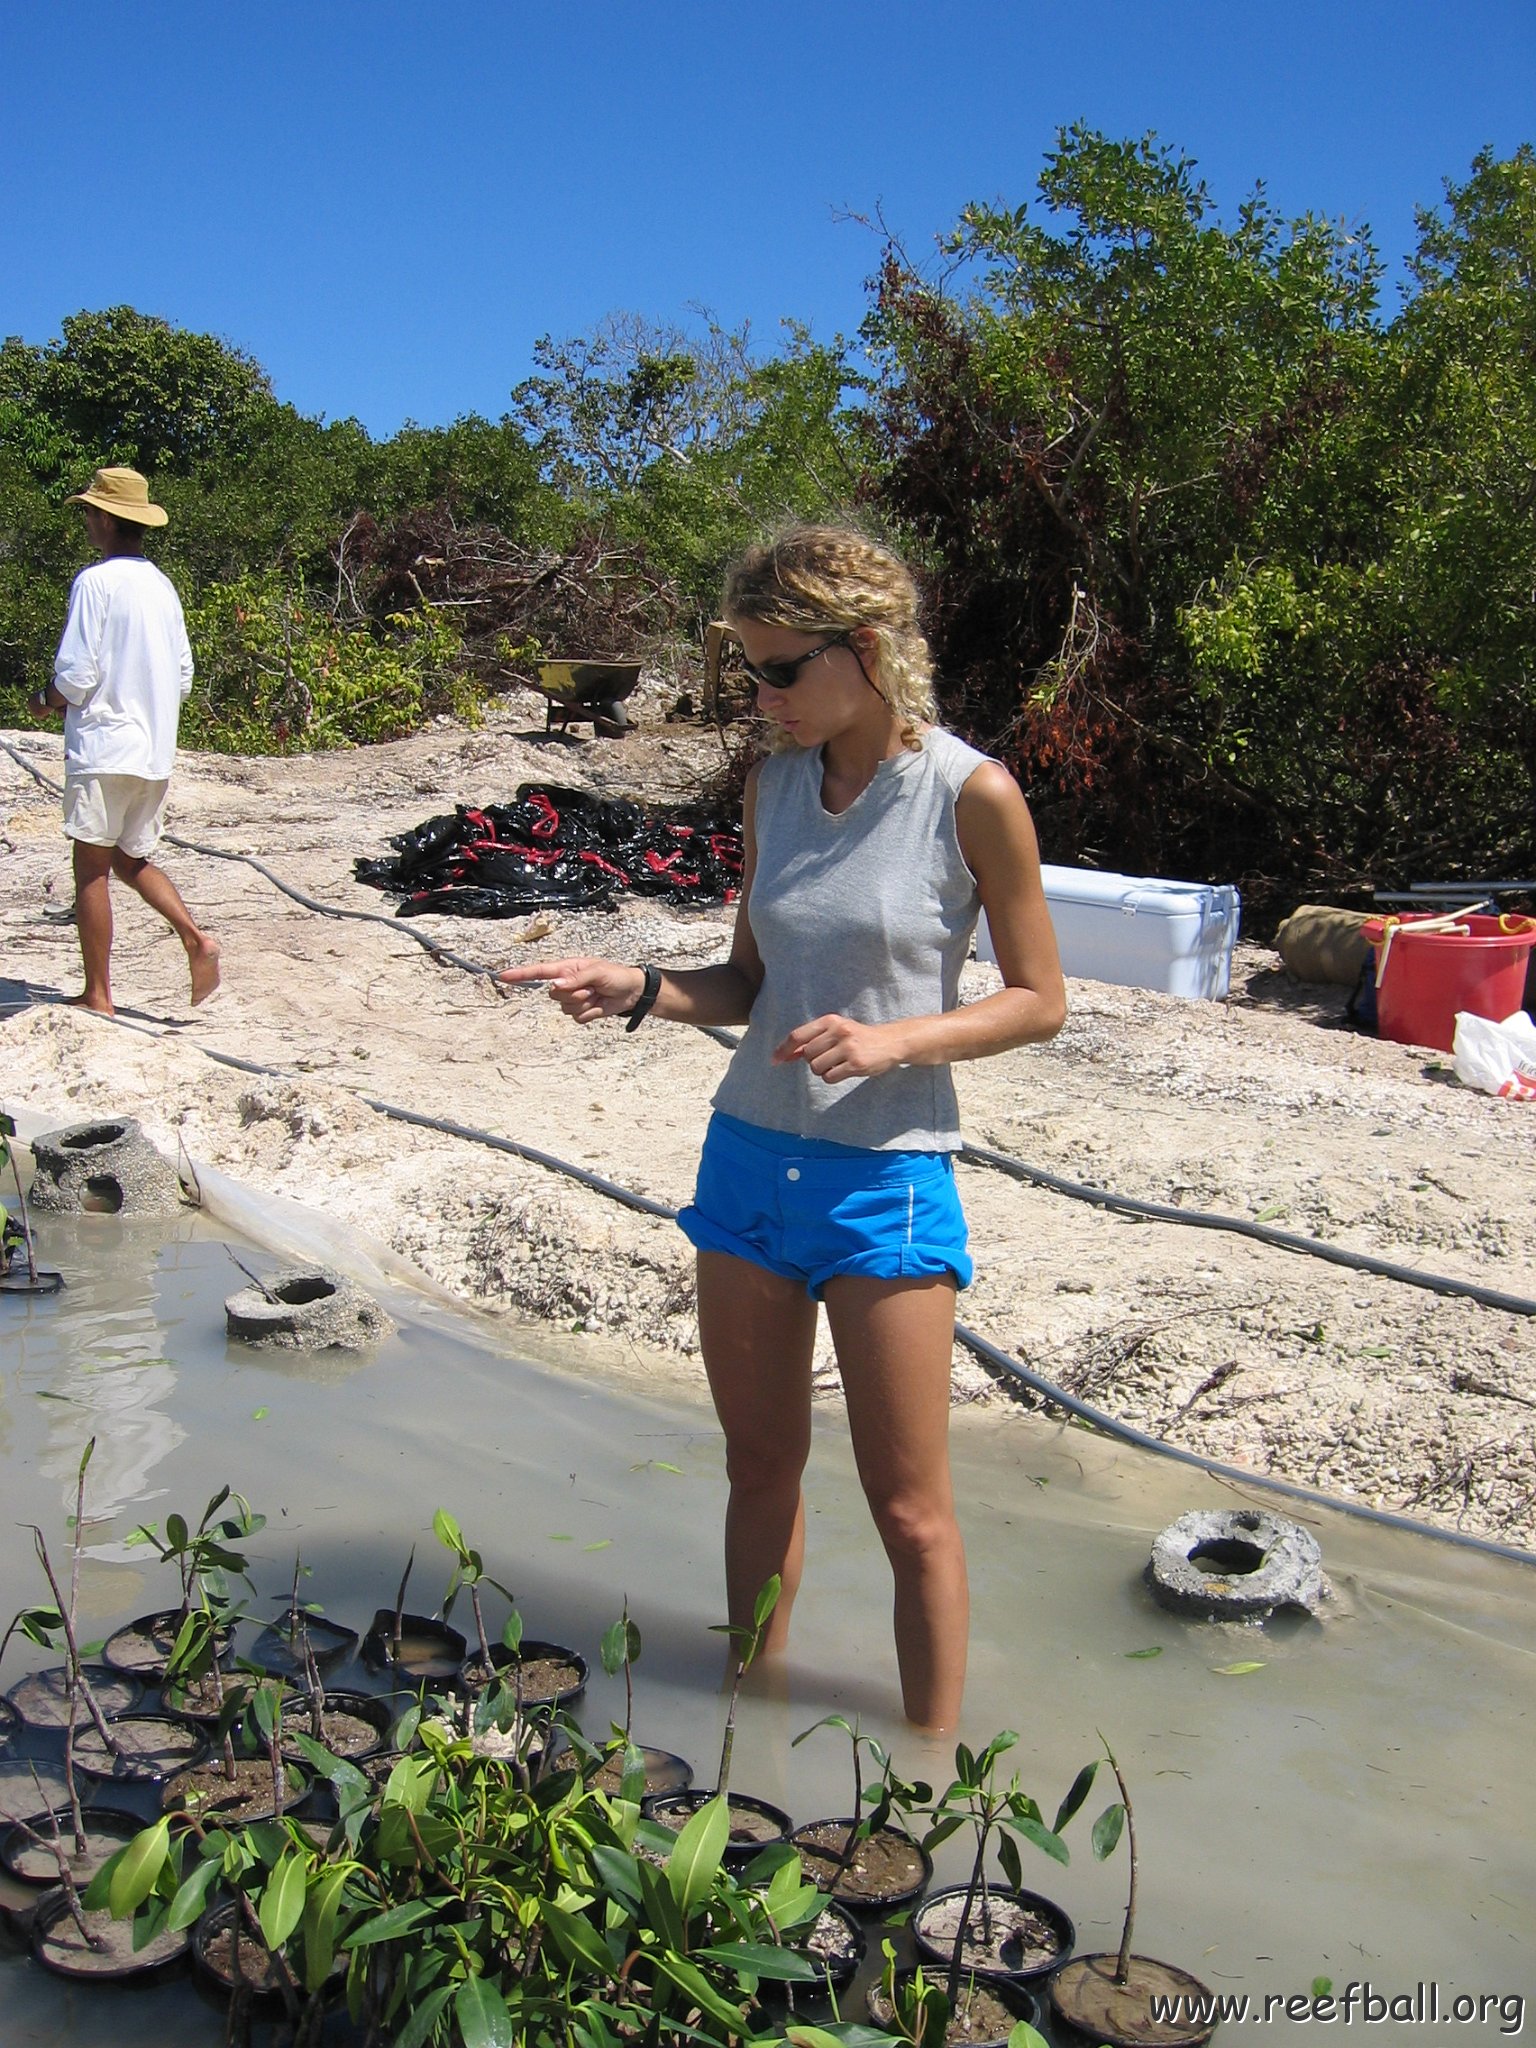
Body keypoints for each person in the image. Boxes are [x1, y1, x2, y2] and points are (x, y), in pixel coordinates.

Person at [499, 526, 1065, 1731]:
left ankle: (929, 1765)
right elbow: (749, 986)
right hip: (748, 1162)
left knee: (910, 1510)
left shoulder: (974, 795)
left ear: (865, 650)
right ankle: (747, 1734)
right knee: (759, 1469)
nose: (760, 699)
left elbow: (1039, 999)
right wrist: (642, 986)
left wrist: (894, 1040)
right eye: (747, 672)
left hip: (885, 1181)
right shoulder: (773, 789)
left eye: (779, 670)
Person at [28, 466, 220, 1015]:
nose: (87, 521)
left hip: (103, 748)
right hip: (153, 751)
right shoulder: (163, 587)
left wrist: (46, 699)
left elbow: (77, 675)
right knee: (129, 858)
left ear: (108, 520)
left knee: (90, 867)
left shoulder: (95, 582)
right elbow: (183, 676)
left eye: (90, 512)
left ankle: (98, 995)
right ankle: (194, 937)